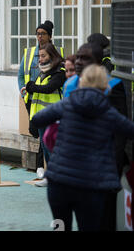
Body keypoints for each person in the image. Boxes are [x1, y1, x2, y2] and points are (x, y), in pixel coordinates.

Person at [31, 64, 134, 231]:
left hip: (59, 182)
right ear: (104, 85)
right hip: (91, 184)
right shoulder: (108, 112)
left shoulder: (67, 104)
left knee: (61, 226)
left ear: (82, 82)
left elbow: (37, 119)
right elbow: (130, 130)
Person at [87, 33, 130, 231]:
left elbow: (120, 126)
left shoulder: (113, 83)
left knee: (107, 213)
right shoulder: (77, 82)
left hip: (107, 160)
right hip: (86, 161)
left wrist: (117, 159)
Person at [17, 20, 64, 180]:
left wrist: (32, 87)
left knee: (49, 142)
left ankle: (46, 170)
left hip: (51, 109)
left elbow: (52, 86)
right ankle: (42, 169)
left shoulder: (58, 62)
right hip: (33, 103)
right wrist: (25, 94)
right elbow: (21, 76)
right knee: (41, 139)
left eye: (42, 33)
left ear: (49, 36)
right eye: (37, 33)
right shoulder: (30, 53)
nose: (39, 36)